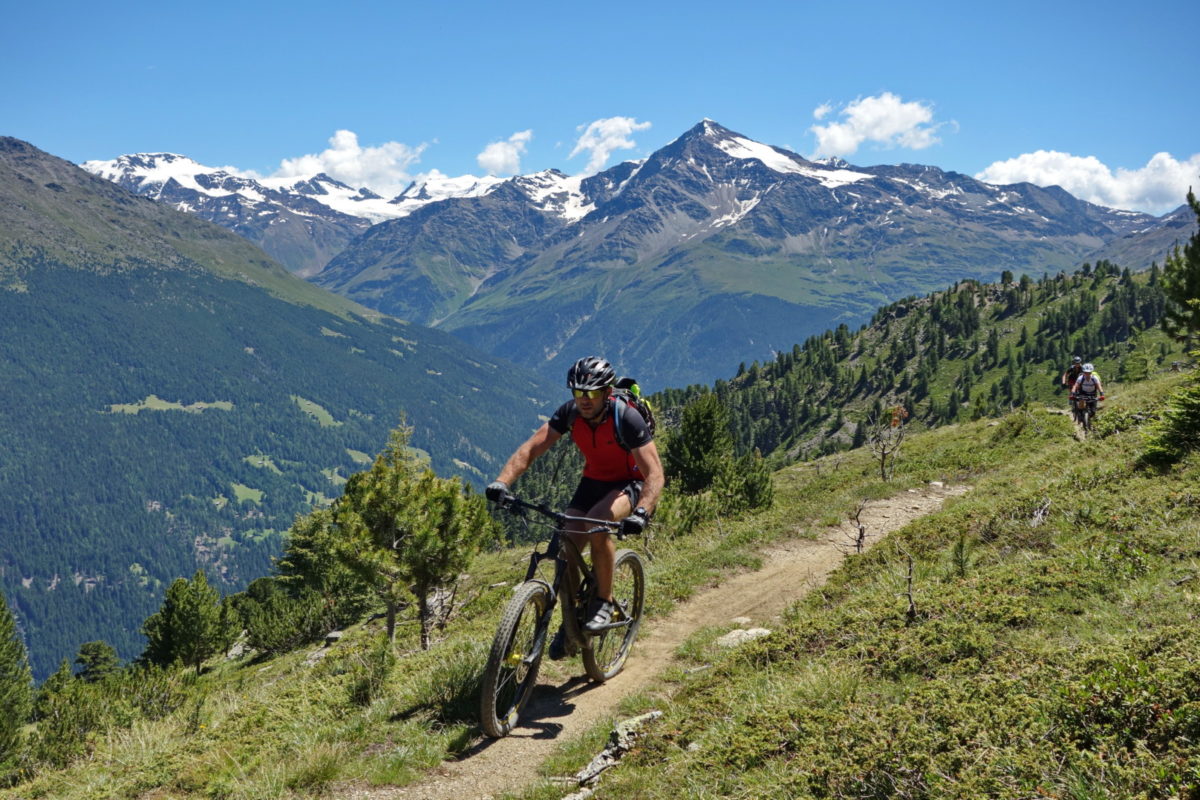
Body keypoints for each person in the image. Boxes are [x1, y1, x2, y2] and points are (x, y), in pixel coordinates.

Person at [486, 356, 664, 659]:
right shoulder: (570, 414)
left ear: (607, 392)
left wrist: (642, 512)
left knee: (597, 524)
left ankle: (604, 601)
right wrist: (502, 482)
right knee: (566, 541)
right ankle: (571, 622)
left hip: (630, 485)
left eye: (592, 393)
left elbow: (655, 473)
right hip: (593, 481)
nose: (584, 400)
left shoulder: (627, 418)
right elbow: (531, 448)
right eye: (578, 392)